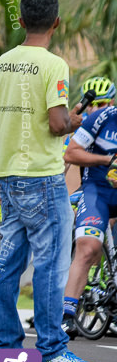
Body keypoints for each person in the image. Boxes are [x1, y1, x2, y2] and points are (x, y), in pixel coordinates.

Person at [0, 0, 96, 362]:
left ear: (20, 21)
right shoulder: (54, 66)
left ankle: (7, 347)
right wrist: (76, 121)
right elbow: (56, 123)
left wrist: (1, 174)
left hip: (9, 175)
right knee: (52, 265)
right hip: (44, 178)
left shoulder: (2, 63)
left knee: (8, 264)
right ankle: (52, 350)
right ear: (56, 23)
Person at [61, 76, 117, 338]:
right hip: (96, 191)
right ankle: (67, 315)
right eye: (95, 103)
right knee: (88, 247)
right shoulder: (100, 118)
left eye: (104, 102)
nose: (98, 107)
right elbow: (68, 156)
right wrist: (107, 160)